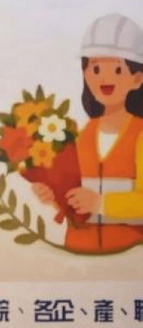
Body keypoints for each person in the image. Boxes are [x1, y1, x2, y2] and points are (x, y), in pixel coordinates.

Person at [33, 13, 143, 253]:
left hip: (130, 256)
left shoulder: (140, 135)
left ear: (136, 79)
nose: (105, 78)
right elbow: (76, 204)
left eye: (117, 70)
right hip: (79, 254)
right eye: (95, 68)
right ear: (85, 74)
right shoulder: (80, 137)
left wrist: (101, 203)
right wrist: (55, 197)